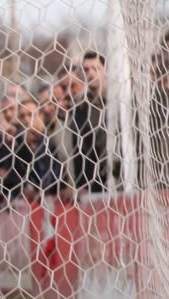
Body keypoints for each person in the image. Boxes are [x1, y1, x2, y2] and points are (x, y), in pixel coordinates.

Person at [69, 51, 110, 193]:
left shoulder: (119, 101)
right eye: (86, 69)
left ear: (105, 70)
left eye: (96, 68)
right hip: (93, 185)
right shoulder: (79, 106)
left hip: (119, 178)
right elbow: (78, 149)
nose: (90, 73)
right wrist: (81, 185)